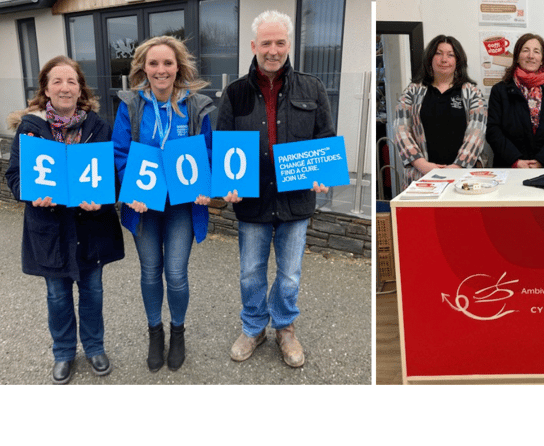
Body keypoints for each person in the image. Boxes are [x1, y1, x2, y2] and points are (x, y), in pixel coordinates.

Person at [216, 10, 333, 368]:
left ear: (288, 45)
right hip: (252, 201)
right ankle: (253, 326)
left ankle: (284, 327)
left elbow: (324, 138)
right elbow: (223, 145)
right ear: (254, 46)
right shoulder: (235, 93)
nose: (273, 50)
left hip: (295, 201)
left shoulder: (312, 87)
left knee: (290, 273)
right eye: (266, 43)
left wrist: (323, 171)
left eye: (279, 42)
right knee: (251, 271)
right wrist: (226, 186)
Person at [5, 56, 125, 384]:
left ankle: (95, 347)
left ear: (80, 88)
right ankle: (63, 352)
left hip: (91, 227)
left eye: (71, 81)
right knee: (57, 295)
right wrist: (31, 194)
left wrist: (100, 202)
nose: (64, 87)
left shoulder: (99, 126)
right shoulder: (31, 129)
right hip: (50, 229)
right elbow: (14, 177)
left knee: (93, 291)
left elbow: (113, 179)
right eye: (57, 81)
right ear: (45, 88)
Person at [112, 36, 214, 372]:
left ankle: (178, 332)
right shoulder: (131, 106)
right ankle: (155, 332)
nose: (160, 70)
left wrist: (206, 185)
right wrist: (132, 191)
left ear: (178, 67)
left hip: (182, 206)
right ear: (143, 67)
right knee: (150, 272)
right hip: (145, 206)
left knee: (176, 274)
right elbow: (120, 153)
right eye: (153, 63)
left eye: (167, 63)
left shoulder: (196, 106)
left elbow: (210, 153)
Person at [393, 34, 487, 190]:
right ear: (430, 58)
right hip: (421, 176)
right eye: (438, 53)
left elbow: (477, 132)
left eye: (450, 55)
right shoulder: (412, 91)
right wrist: (422, 165)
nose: (444, 59)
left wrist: (457, 167)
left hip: (463, 177)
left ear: (458, 61)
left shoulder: (472, 93)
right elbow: (400, 129)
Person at [486, 33, 544, 168]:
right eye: (525, 50)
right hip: (510, 168)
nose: (531, 56)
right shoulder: (499, 91)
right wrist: (515, 161)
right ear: (517, 57)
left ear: (542, 59)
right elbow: (493, 130)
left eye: (536, 51)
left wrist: (542, 161)